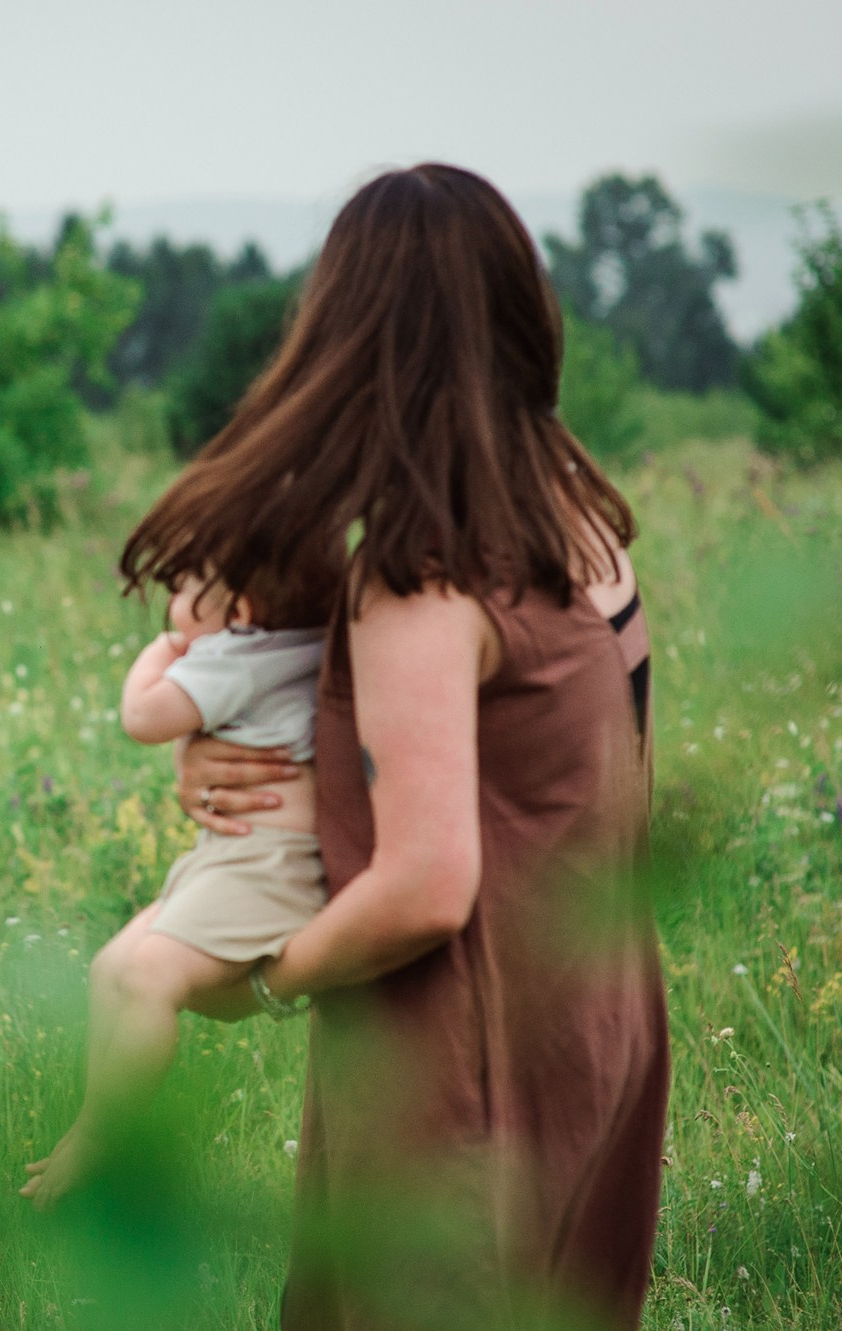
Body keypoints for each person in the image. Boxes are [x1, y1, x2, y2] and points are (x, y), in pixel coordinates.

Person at [157, 164, 667, 1328]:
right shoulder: (572, 517)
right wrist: (235, 746)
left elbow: (429, 882)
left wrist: (255, 978)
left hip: (459, 1056)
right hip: (593, 1015)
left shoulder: (422, 575)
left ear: (350, 334)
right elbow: (518, 773)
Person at [21, 558, 337, 1208]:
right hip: (239, 858)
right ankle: (99, 1119)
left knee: (146, 977)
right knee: (111, 967)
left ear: (240, 612)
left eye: (185, 590)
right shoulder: (305, 642)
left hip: (265, 869)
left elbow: (143, 716)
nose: (172, 603)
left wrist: (165, 648)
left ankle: (103, 1139)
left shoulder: (238, 654)